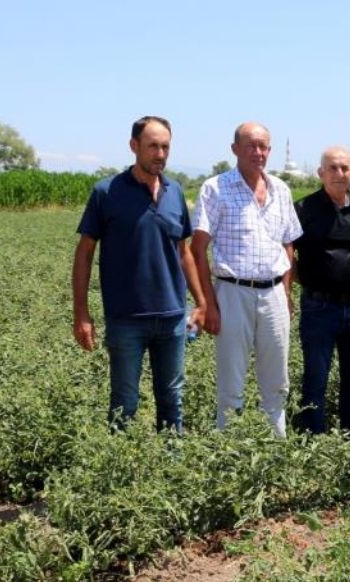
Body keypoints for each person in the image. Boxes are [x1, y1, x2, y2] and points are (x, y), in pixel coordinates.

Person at [72, 115, 205, 432]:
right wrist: (81, 314)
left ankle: (171, 469)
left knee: (172, 399)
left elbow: (183, 250)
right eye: (152, 147)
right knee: (124, 402)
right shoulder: (107, 192)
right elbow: (84, 253)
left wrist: (201, 302)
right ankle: (122, 476)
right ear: (134, 147)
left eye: (165, 147)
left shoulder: (174, 192)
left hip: (172, 316)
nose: (160, 154)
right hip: (126, 318)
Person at [192, 122, 302, 437]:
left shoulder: (281, 189)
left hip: (274, 294)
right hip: (232, 292)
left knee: (277, 382)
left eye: (264, 146)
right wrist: (208, 304)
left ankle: (276, 453)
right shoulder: (215, 188)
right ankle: (230, 459)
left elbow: (288, 243)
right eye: (251, 145)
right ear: (235, 149)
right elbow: (198, 249)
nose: (258, 152)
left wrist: (286, 291)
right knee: (231, 383)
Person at [291, 146, 350, 437]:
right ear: (321, 173)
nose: (339, 174)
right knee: (316, 377)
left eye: (345, 168)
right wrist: (317, 280)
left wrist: (345, 275)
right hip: (319, 307)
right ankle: (313, 438)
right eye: (332, 168)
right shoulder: (304, 209)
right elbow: (289, 256)